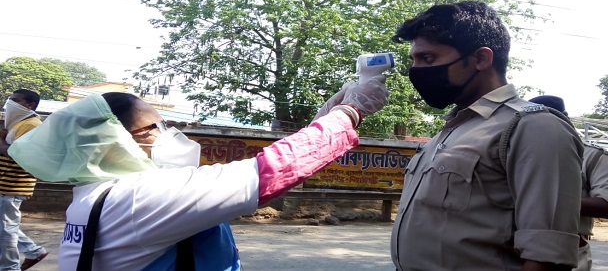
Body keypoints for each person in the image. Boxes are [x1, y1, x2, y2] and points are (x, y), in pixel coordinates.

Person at [8, 76, 388, 270]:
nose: (170, 135)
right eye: (156, 127)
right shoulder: (142, 196)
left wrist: (327, 115)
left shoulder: (97, 193)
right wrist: (350, 112)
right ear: (114, 142)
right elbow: (274, 170)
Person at [389, 0, 584, 271]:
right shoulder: (455, 127)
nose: (416, 71)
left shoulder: (534, 127)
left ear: (481, 58)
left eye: (428, 59)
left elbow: (546, 257)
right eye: (414, 60)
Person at [529, 95, 608, 271]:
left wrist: (545, 201)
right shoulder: (516, 154)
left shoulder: (592, 155)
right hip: (519, 247)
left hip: (570, 248)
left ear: (565, 117)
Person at [0, 89, 50, 271]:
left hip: (13, 185)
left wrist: (1, 143)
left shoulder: (31, 125)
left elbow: (21, 155)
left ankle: (9, 268)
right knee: (5, 227)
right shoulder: (18, 123)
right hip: (6, 183)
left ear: (29, 105)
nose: (10, 103)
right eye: (9, 99)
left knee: (6, 231)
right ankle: (33, 251)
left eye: (15, 100)